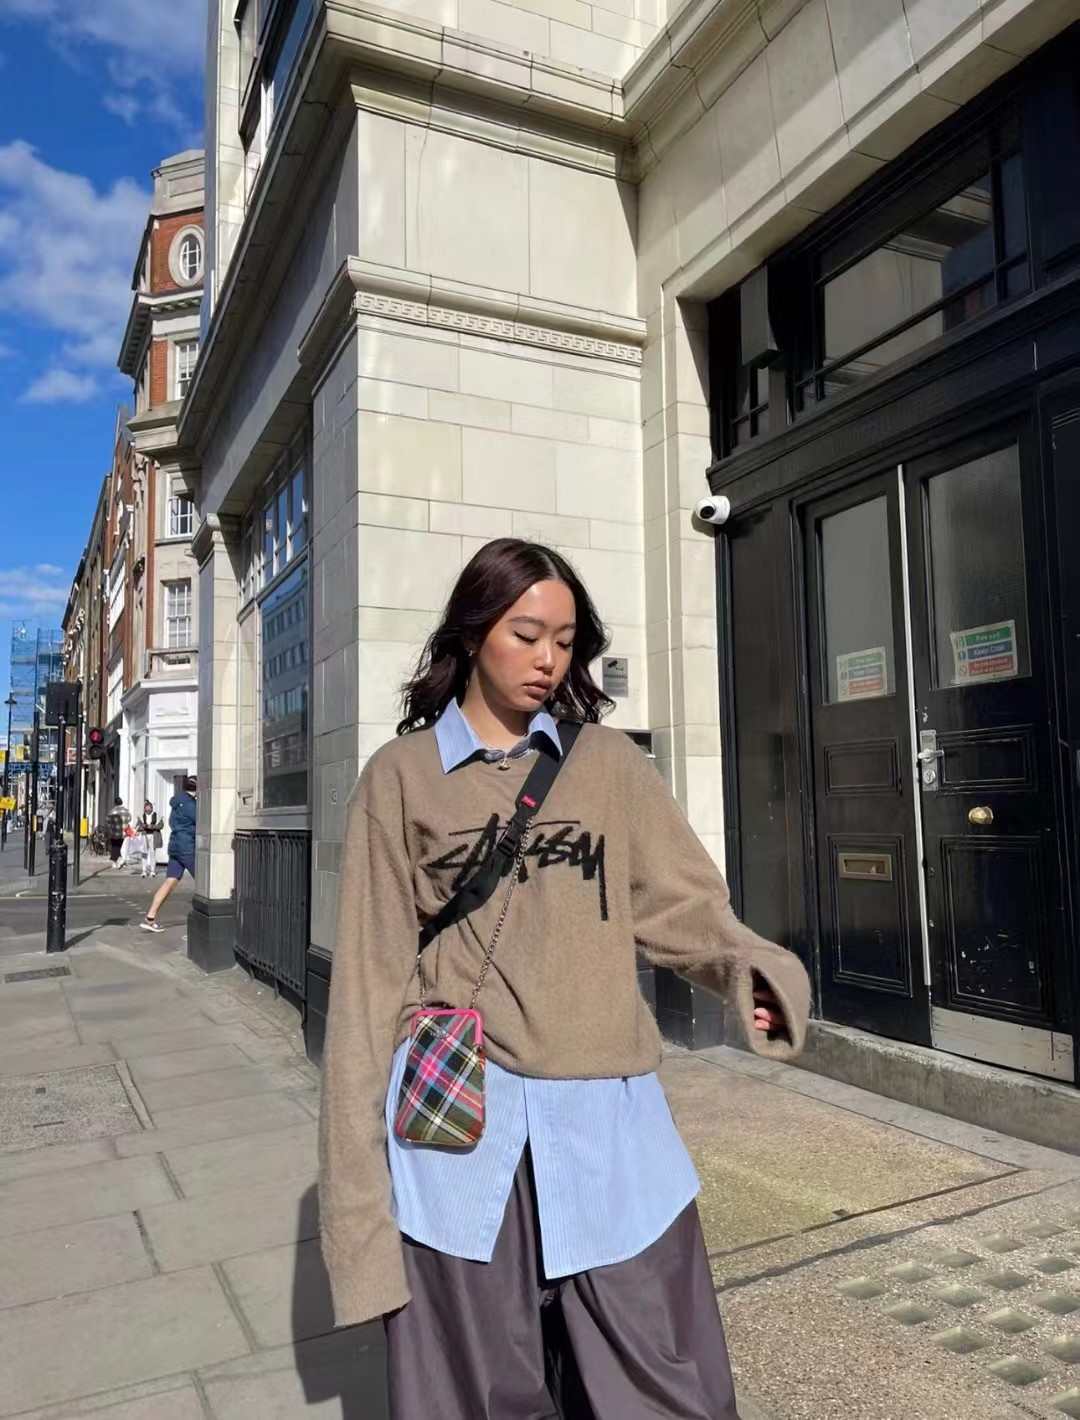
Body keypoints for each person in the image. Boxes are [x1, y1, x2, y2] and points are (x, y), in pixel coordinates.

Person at [318, 538, 811, 1420]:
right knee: (476, 1395)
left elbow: (683, 907)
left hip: (605, 1124)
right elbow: (364, 992)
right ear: (474, 632)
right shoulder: (402, 777)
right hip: (460, 1134)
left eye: (565, 639)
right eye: (526, 633)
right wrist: (359, 1219)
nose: (548, 658)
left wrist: (749, 973)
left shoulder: (608, 764)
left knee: (667, 1388)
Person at [140, 777, 196, 932]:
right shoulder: (191, 805)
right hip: (187, 847)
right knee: (205, 882)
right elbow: (202, 822)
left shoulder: (176, 803)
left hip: (175, 846)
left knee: (170, 881)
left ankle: (150, 917)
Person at [134, 801, 164, 878]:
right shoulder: (141, 816)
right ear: (144, 809)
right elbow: (137, 826)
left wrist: (152, 826)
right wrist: (142, 827)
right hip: (144, 835)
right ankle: (144, 871)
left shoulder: (157, 816)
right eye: (146, 809)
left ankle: (152, 871)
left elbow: (161, 825)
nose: (148, 810)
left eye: (149, 809)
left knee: (152, 853)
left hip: (153, 835)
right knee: (144, 853)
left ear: (152, 808)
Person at [106, 797, 131, 869]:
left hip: (115, 833)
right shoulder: (126, 811)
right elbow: (129, 819)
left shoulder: (112, 811)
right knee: (123, 848)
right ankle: (121, 861)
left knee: (115, 847)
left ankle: (115, 862)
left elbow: (108, 821)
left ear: (115, 803)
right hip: (124, 833)